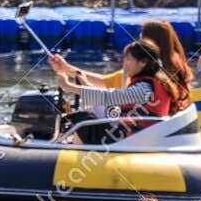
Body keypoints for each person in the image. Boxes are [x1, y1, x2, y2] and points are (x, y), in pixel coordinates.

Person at [49, 38, 179, 144]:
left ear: (142, 62)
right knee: (91, 115)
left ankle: (72, 158)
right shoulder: (154, 82)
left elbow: (110, 98)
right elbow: (113, 100)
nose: (124, 63)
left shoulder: (145, 88)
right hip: (138, 136)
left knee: (82, 119)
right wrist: (69, 71)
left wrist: (68, 86)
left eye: (128, 59)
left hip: (132, 140)